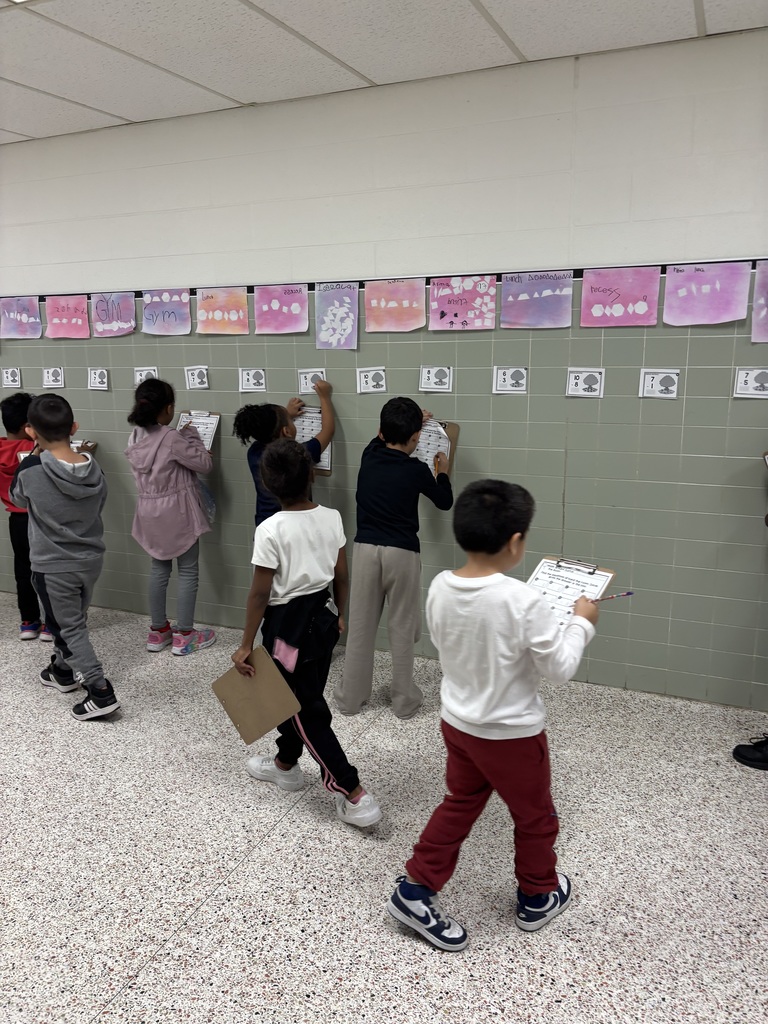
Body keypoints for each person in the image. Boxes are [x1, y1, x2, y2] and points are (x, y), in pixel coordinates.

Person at [386, 479, 599, 951]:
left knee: (460, 802)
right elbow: (560, 668)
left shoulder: (440, 586)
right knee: (535, 817)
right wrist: (581, 623)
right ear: (516, 542)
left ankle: (415, 890)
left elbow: (453, 641)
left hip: (459, 723)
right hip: (511, 735)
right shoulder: (523, 601)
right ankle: (538, 896)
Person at [231, 438, 381, 829]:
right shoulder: (332, 517)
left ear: (267, 483)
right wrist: (342, 614)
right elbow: (342, 575)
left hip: (288, 628)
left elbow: (260, 593)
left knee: (303, 708)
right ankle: (285, 764)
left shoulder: (270, 529)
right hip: (323, 618)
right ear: (310, 475)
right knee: (295, 695)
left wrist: (245, 644)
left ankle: (352, 792)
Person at [334, 396, 453, 719]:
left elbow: (381, 436)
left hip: (365, 550)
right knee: (402, 626)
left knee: (361, 626)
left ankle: (350, 698)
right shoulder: (417, 470)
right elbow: (444, 501)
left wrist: (413, 420)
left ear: (382, 432)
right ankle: (404, 701)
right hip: (402, 553)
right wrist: (443, 472)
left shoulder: (369, 455)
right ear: (416, 438)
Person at [11, 394, 119, 720]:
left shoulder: (31, 470)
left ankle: (100, 691)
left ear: (30, 431)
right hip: (90, 561)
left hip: (53, 566)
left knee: (68, 628)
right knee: (69, 620)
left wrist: (33, 456)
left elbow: (18, 499)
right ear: (74, 427)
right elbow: (100, 503)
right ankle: (62, 671)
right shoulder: (94, 467)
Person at [125, 378, 216, 656]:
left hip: (149, 512)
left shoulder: (135, 437)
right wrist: (193, 438)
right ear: (167, 408)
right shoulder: (172, 438)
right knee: (188, 570)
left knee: (159, 568)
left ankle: (158, 631)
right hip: (178, 511)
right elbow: (205, 464)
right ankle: (185, 635)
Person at [233, 379, 335, 527]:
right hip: (296, 526)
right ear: (286, 431)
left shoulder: (254, 452)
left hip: (265, 524)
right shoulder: (300, 455)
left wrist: (284, 418)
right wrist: (324, 397)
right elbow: (328, 431)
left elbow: (268, 431)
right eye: (289, 420)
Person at [0, 392, 51, 641]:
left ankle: (29, 622)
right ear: (27, 427)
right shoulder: (36, 449)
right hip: (41, 519)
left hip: (16, 520)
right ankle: (51, 624)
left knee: (23, 570)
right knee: (48, 571)